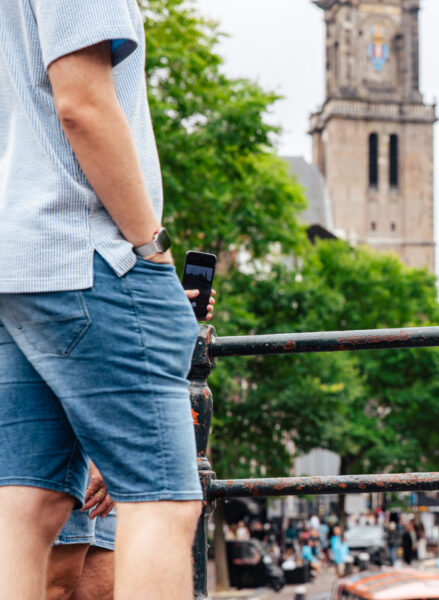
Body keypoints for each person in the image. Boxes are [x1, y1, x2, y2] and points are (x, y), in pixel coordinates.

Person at [0, 1, 206, 598]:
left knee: (26, 501)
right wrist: (151, 247)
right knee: (162, 499)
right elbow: (82, 104)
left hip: (17, 259)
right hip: (86, 251)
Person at [45, 289, 214, 600]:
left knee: (101, 587)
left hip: (114, 421)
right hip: (70, 415)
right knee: (54, 582)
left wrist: (167, 308)